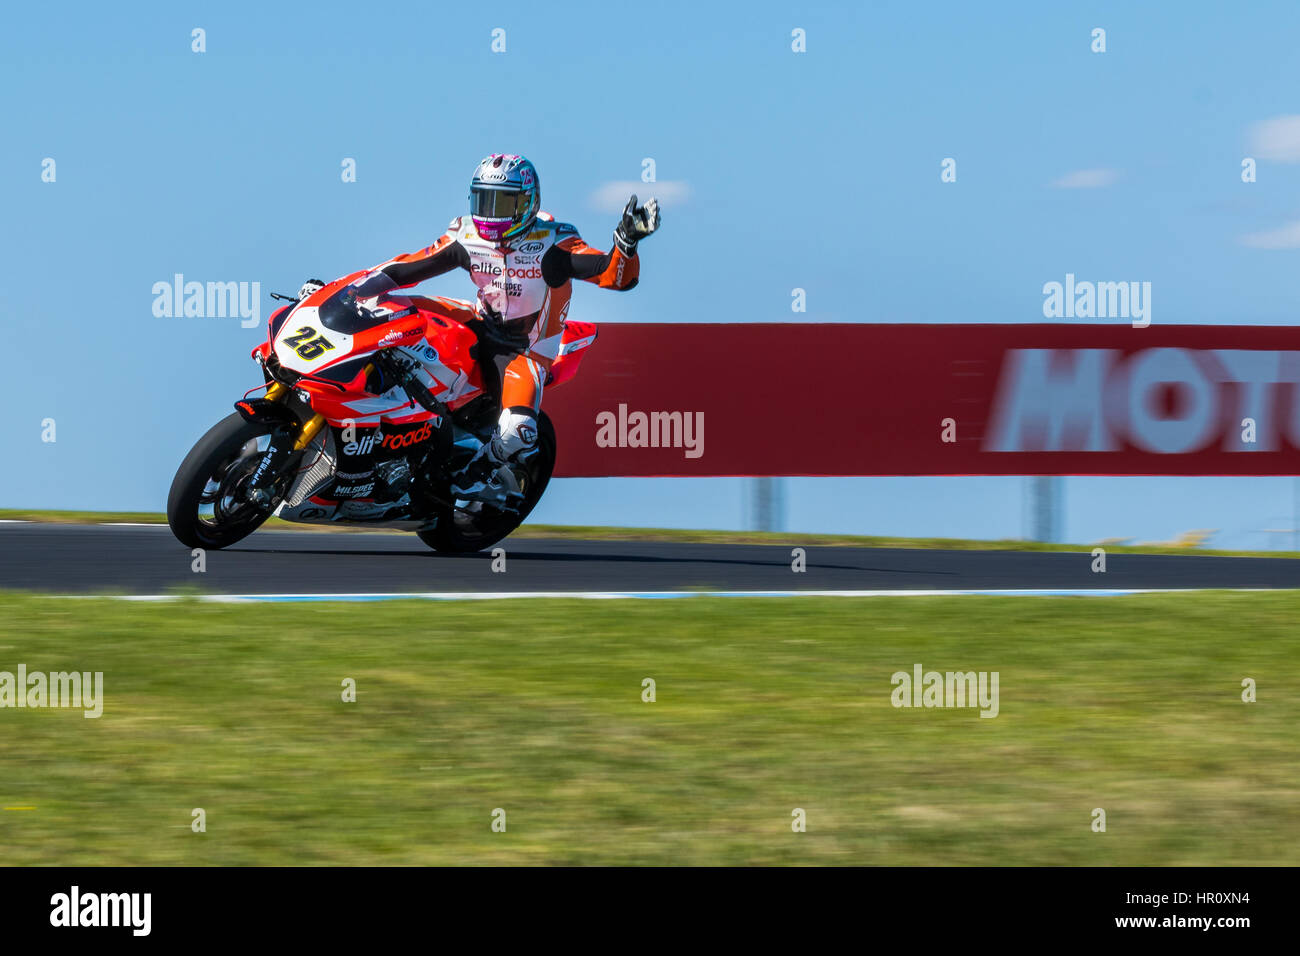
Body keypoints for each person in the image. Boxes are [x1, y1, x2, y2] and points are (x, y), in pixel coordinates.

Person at [343, 153, 660, 501]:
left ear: (527, 202)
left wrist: (626, 245)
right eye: (484, 199)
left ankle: (476, 472)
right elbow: (406, 267)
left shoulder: (554, 242)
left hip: (524, 350)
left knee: (517, 431)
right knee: (389, 316)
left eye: (503, 201)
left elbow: (613, 277)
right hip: (476, 322)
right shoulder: (465, 233)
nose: (491, 213)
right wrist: (348, 292)